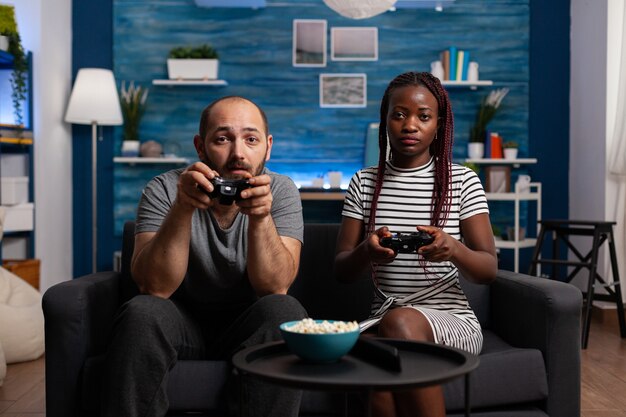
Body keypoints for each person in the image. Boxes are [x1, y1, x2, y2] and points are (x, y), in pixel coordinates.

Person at [101, 96, 307, 417]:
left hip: (248, 326)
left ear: (267, 147)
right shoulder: (165, 189)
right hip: (180, 324)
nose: (238, 153)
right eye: (223, 139)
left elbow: (274, 287)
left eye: (250, 139)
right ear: (201, 146)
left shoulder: (280, 191)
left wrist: (261, 217)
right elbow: (155, 288)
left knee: (285, 308)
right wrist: (183, 207)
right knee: (142, 310)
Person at [334, 72, 497, 417]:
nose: (410, 125)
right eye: (399, 114)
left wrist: (453, 248)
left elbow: (488, 270)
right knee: (368, 358)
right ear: (385, 121)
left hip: (450, 319)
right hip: (383, 320)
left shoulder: (463, 181)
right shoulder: (364, 183)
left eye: (423, 116)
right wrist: (367, 251)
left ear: (438, 125)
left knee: (400, 323)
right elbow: (342, 271)